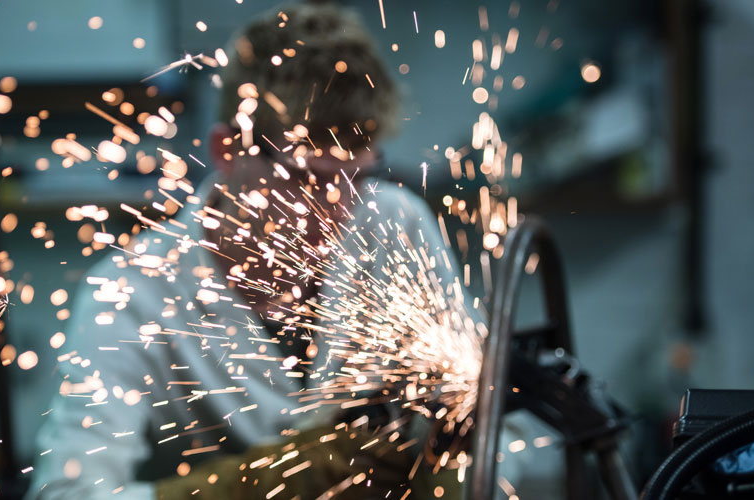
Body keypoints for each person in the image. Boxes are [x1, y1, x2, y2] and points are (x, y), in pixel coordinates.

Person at [27, 4, 478, 499]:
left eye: (358, 176)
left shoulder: (395, 226)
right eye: (308, 180)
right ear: (228, 152)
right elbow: (64, 494)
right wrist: (243, 489)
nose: (339, 211)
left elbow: (495, 431)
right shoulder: (131, 295)